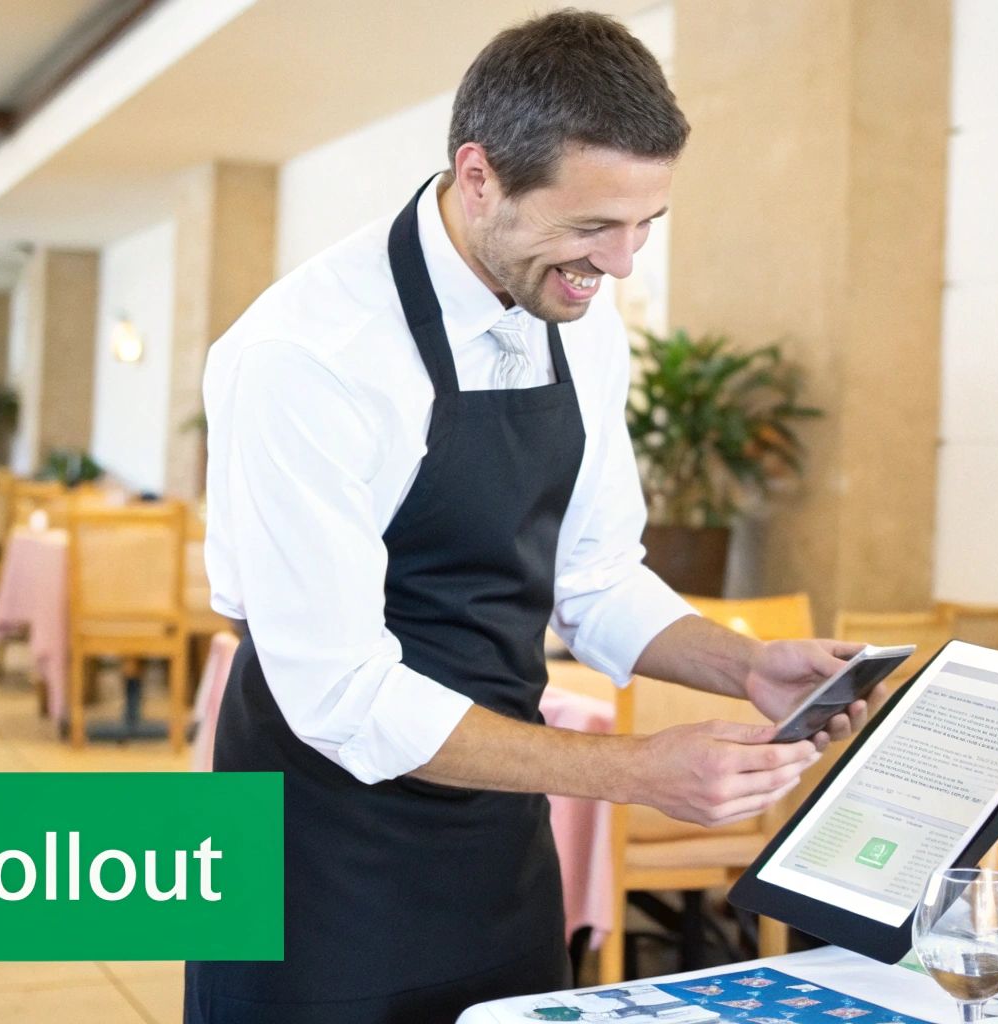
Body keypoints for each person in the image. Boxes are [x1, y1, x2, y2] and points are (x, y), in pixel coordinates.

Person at [186, 12, 876, 1022]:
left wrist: (740, 664)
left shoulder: (575, 315)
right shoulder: (307, 353)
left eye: (647, 224)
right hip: (318, 841)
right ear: (478, 177)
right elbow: (339, 693)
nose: (623, 261)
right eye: (593, 224)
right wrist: (632, 769)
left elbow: (590, 573)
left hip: (497, 828)